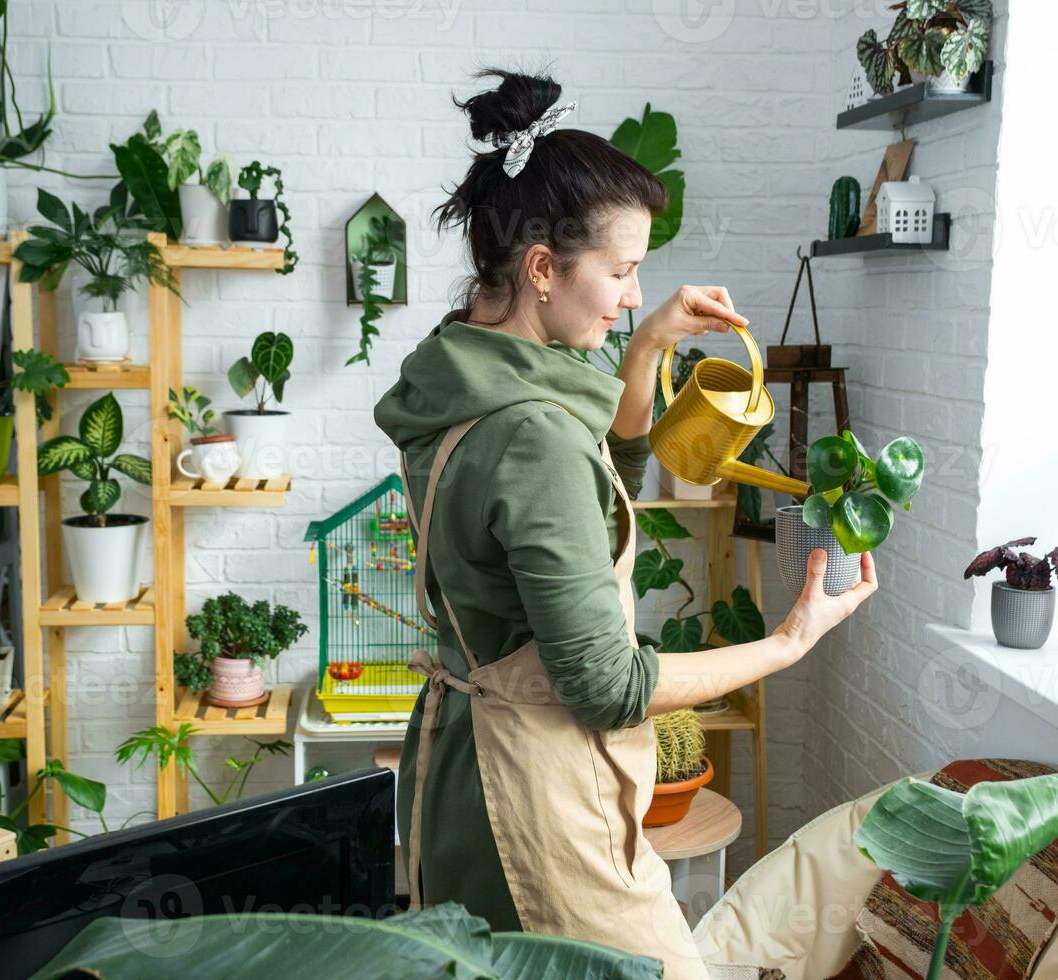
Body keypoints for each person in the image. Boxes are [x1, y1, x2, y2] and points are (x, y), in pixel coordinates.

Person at [373, 67, 876, 978]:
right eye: (621, 271)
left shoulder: (458, 374)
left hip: (460, 769)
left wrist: (645, 350)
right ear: (540, 268)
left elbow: (606, 477)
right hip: (531, 792)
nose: (635, 294)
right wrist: (789, 642)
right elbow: (606, 683)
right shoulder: (531, 435)